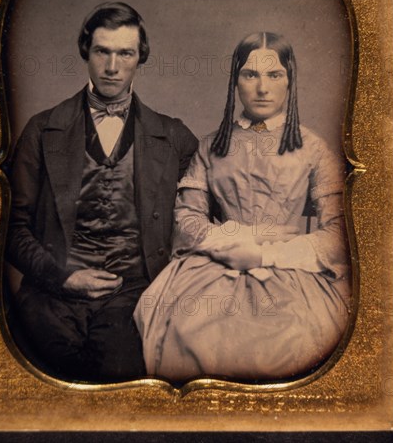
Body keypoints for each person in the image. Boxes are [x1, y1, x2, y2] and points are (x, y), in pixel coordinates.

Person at [134, 32, 352, 382]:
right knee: (190, 332)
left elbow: (340, 237)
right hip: (214, 266)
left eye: (274, 75)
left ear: (289, 81)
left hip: (290, 272)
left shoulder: (313, 149)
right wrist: (240, 236)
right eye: (250, 75)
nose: (262, 88)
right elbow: (186, 220)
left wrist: (266, 256)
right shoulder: (211, 147)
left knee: (289, 339)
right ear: (236, 81)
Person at [5, 2, 198, 382]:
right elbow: (9, 228)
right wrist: (61, 277)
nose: (112, 67)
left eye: (125, 53)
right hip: (53, 293)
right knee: (46, 381)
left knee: (121, 382)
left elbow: (210, 208)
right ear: (85, 51)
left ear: (140, 57)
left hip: (134, 297)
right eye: (102, 52)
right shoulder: (42, 130)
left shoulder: (172, 136)